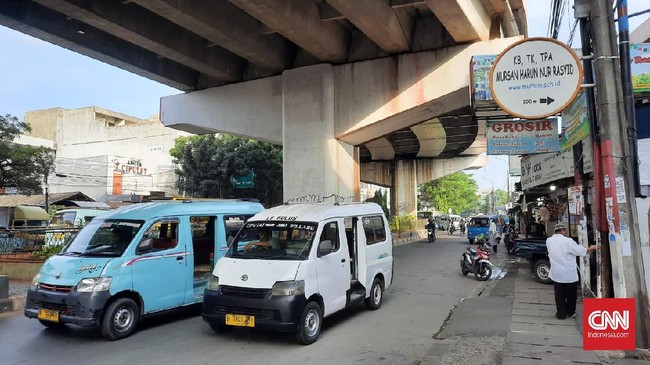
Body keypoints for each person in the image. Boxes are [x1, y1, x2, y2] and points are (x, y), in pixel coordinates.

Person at [547, 222, 597, 320]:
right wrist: (591, 248)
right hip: (568, 273)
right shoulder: (568, 241)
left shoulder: (549, 241)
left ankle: (561, 314)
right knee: (571, 295)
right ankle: (570, 312)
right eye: (564, 230)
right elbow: (579, 251)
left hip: (557, 273)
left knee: (559, 295)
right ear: (562, 230)